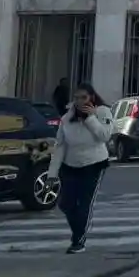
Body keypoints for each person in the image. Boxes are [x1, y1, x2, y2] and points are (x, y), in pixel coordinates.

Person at [46, 84, 114, 254]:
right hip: (71, 164)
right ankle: (78, 230)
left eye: (83, 97)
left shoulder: (102, 112)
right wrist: (52, 174)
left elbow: (105, 136)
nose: (79, 101)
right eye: (76, 97)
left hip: (94, 163)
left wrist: (91, 119)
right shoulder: (67, 117)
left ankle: (78, 241)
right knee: (65, 203)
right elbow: (60, 146)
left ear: (92, 97)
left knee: (84, 203)